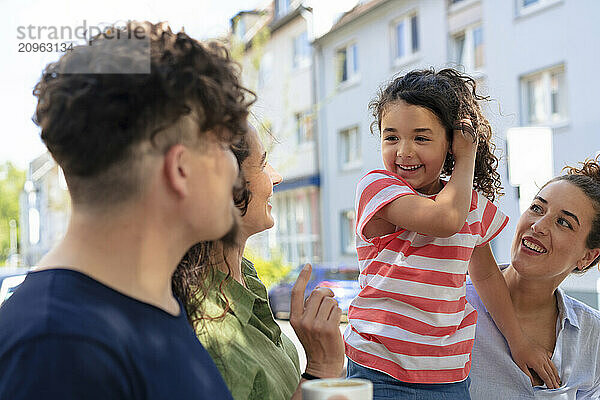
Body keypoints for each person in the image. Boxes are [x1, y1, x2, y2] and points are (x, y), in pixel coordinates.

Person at [0, 21, 253, 399]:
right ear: (180, 169)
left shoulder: (146, 308)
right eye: (221, 145)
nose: (235, 169)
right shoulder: (60, 350)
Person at [344, 68, 560, 399]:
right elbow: (446, 219)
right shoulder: (378, 187)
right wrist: (467, 156)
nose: (404, 151)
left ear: (450, 143)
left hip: (447, 376)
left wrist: (519, 342)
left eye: (421, 137)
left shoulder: (469, 205)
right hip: (378, 367)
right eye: (391, 137)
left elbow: (487, 276)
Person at [173, 124, 346, 400]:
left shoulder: (244, 277)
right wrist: (321, 370)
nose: (276, 177)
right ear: (225, 184)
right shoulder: (212, 333)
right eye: (263, 164)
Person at [467, 156, 600, 399]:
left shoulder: (594, 336)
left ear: (588, 257)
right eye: (537, 208)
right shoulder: (449, 299)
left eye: (563, 222)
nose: (538, 225)